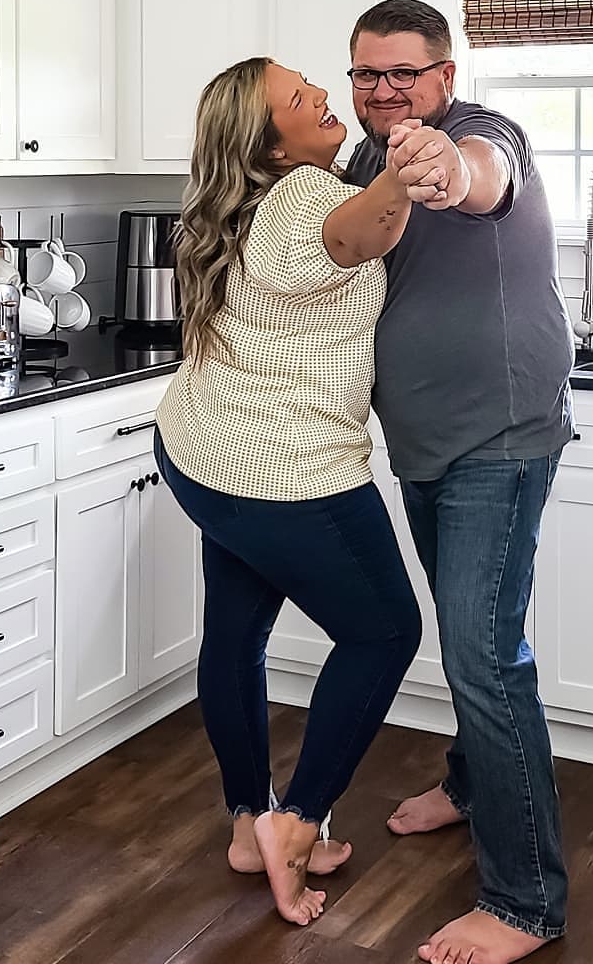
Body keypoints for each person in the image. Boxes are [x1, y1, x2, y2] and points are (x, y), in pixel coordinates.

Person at [154, 56, 456, 929]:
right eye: (299, 99)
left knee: (236, 634)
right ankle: (298, 823)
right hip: (287, 474)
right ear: (268, 142)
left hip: (203, 453)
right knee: (387, 630)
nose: (322, 95)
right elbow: (357, 235)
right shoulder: (297, 199)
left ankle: (249, 822)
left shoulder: (234, 204)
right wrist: (403, 171)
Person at [344, 0, 577, 964]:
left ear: (445, 75)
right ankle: (474, 784)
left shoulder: (483, 135)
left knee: (484, 656)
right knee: (467, 634)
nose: (386, 92)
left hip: (502, 430)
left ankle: (525, 901)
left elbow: (482, 178)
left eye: (405, 74)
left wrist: (443, 165)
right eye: (367, 75)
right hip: (426, 436)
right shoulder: (365, 162)